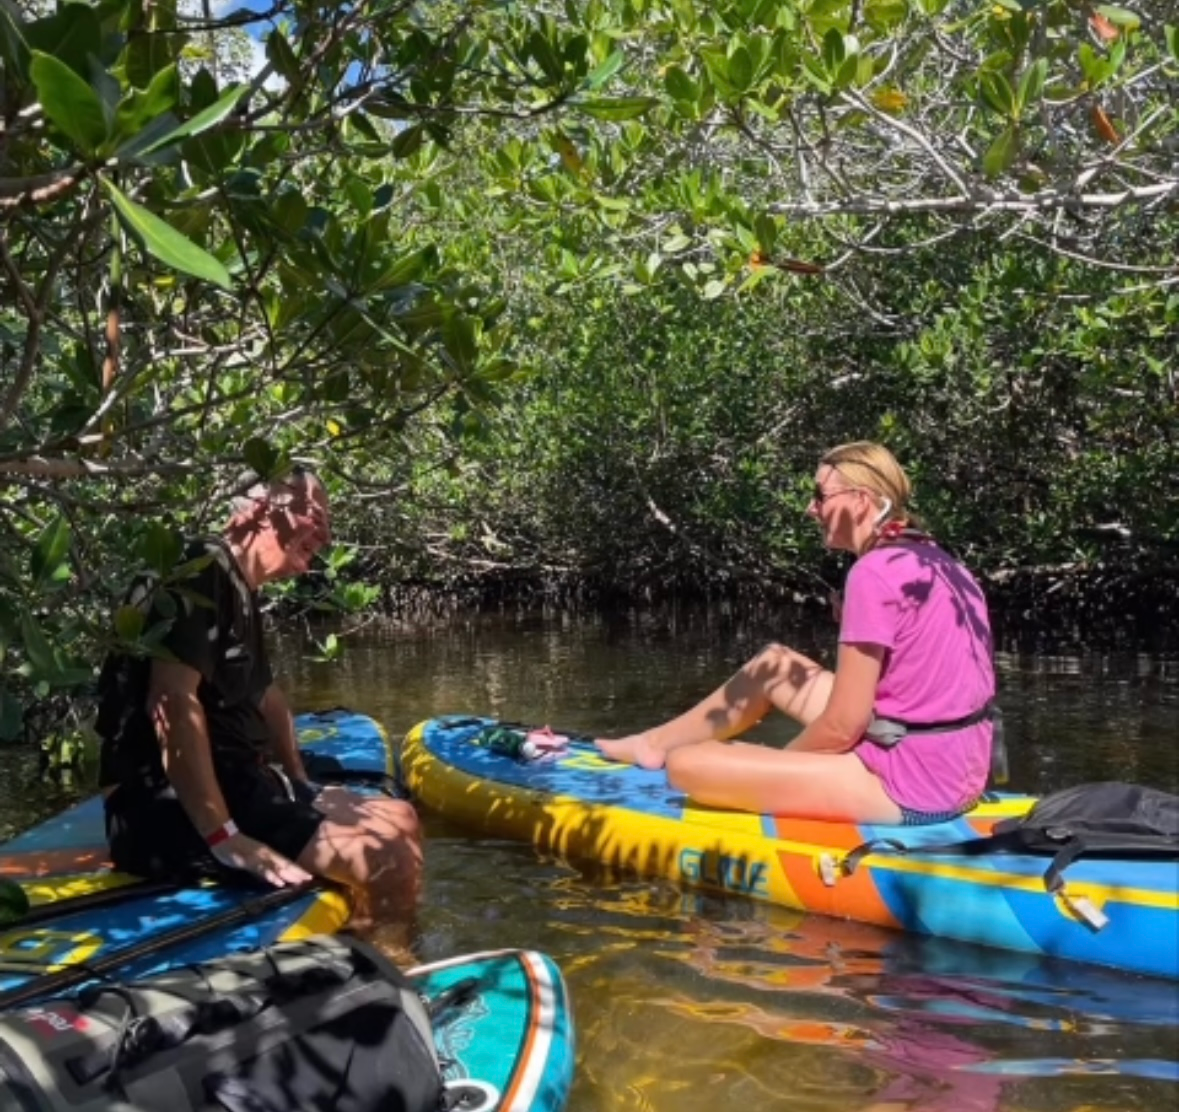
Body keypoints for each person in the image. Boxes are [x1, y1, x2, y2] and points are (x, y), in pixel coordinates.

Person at [596, 441, 996, 825]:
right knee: (774, 666)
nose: (811, 508)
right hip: (960, 771)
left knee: (687, 765)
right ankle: (652, 744)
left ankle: (677, 754)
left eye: (820, 495)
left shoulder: (872, 574)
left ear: (860, 500)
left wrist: (779, 767)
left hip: (911, 786)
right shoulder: (939, 561)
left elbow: (844, 724)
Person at [96, 467, 422, 922]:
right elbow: (170, 701)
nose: (327, 535)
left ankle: (361, 941)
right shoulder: (201, 567)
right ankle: (395, 975)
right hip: (160, 809)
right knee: (390, 860)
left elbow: (268, 697)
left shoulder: (241, 588)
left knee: (400, 818)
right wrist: (223, 837)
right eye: (316, 515)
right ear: (260, 509)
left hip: (244, 782)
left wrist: (299, 780)